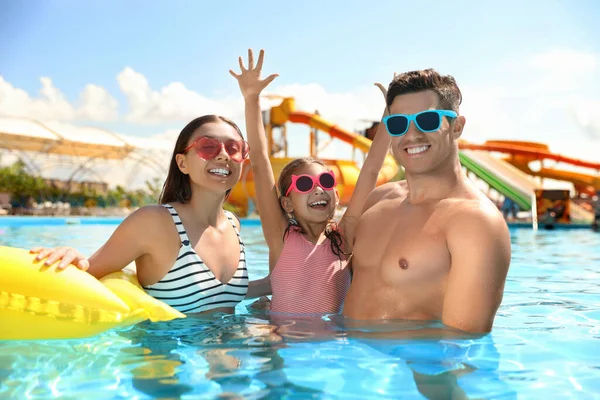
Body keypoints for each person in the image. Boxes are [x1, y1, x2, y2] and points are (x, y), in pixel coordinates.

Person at [30, 115, 270, 314]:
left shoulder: (233, 224)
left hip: (229, 360)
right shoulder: (155, 222)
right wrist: (71, 257)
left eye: (234, 148)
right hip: (170, 363)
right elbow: (88, 274)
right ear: (182, 163)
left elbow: (217, 293)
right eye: (208, 147)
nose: (223, 155)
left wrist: (271, 285)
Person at [342, 69, 511, 335]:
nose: (412, 135)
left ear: (456, 127)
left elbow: (460, 344)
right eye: (398, 124)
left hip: (401, 373)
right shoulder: (378, 200)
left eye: (427, 121)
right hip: (339, 365)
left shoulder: (474, 223)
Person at [229, 49, 391, 314]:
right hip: (281, 343)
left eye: (326, 182)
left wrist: (389, 116)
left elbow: (371, 171)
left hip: (333, 345)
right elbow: (259, 162)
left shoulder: (344, 237)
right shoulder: (280, 237)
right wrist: (251, 98)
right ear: (287, 203)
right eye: (304, 185)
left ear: (337, 196)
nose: (318, 189)